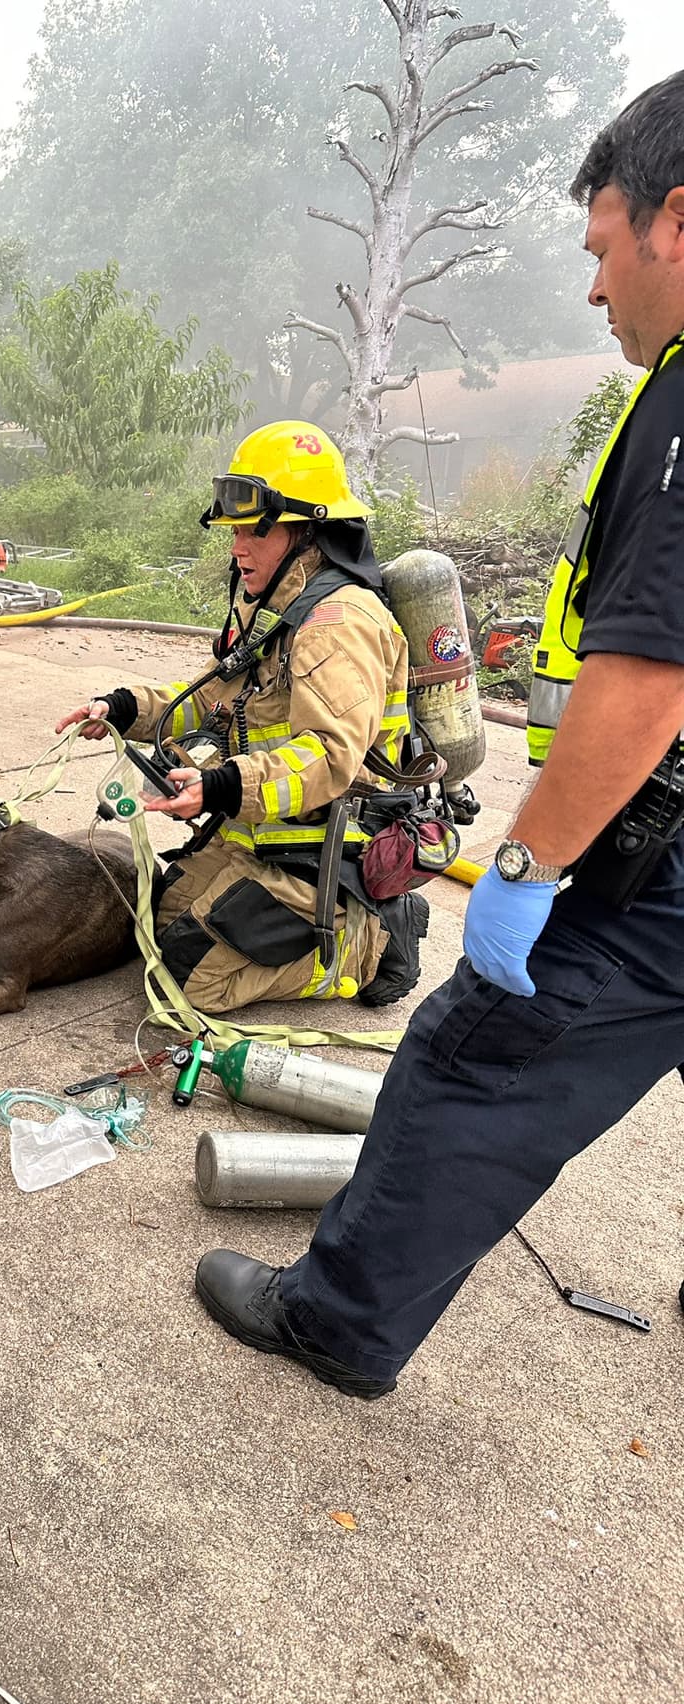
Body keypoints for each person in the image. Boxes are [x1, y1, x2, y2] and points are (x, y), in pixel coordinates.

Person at [193, 71, 684, 1399]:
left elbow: (647, 681)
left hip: (655, 869)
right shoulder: (268, 607)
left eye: (600, 251)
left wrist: (522, 876)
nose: (595, 292)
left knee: (467, 1065)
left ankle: (337, 1317)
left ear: (675, 222)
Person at [56, 420, 425, 1011]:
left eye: (257, 529)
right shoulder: (270, 609)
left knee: (187, 980)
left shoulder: (339, 623)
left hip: (323, 850)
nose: (238, 546)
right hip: (255, 832)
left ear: (309, 531)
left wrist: (221, 786)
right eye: (234, 530)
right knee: (150, 926)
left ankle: (369, 944)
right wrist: (124, 709)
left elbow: (332, 756)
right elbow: (212, 704)